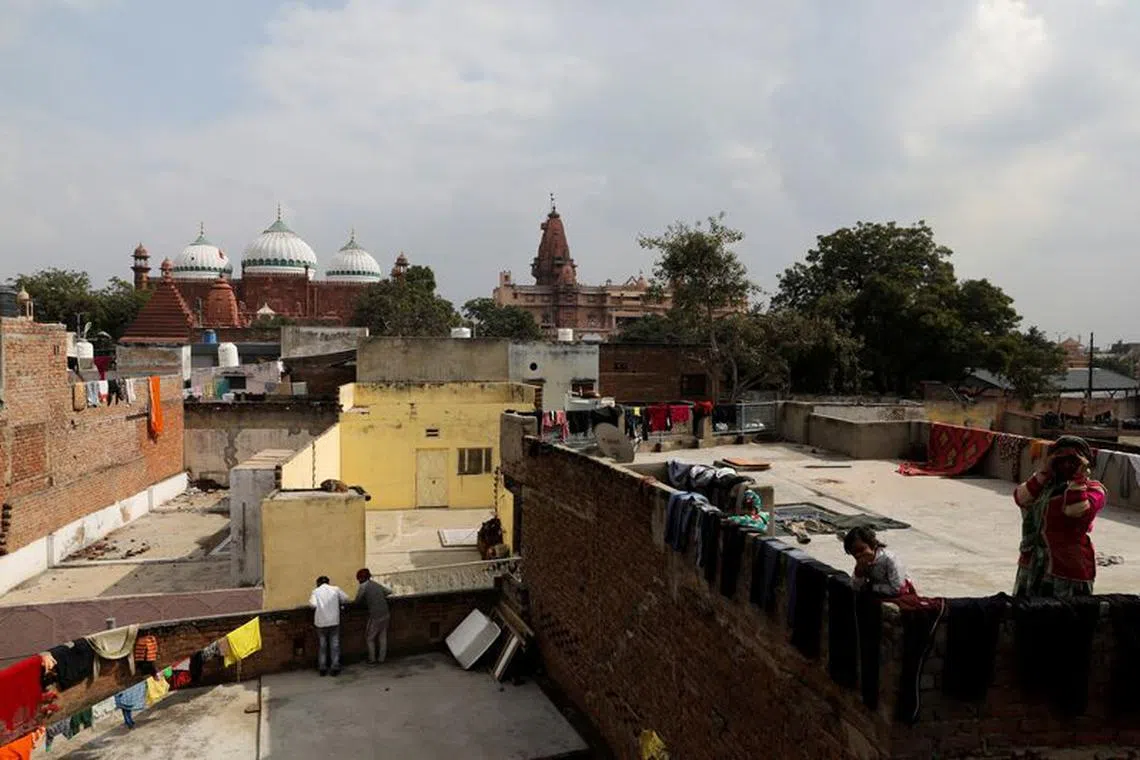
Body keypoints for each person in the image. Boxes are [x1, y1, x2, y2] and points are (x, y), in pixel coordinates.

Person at [1013, 435, 1106, 598]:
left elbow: (1075, 510)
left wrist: (1078, 478)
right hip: (1033, 567)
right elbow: (1021, 498)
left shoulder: (1094, 490)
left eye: (1073, 460)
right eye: (1061, 460)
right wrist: (1044, 472)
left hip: (1067, 571)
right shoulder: (1042, 486)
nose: (1066, 465)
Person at [844, 526, 915, 597]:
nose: (859, 555)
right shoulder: (863, 564)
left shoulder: (889, 559)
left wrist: (872, 587)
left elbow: (897, 589)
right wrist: (859, 574)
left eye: (861, 550)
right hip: (878, 593)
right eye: (854, 553)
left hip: (901, 595)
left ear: (872, 545)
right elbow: (855, 588)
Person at [309, 575, 349, 676]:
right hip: (334, 621)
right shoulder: (335, 589)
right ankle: (335, 667)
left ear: (318, 583)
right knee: (335, 645)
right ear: (328, 582)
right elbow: (346, 598)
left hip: (321, 623)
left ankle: (322, 668)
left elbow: (313, 605)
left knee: (323, 646)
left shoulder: (316, 591)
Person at [354, 568, 394, 664]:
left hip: (375, 615)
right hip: (385, 613)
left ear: (361, 578)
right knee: (382, 636)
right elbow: (389, 592)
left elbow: (357, 600)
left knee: (370, 638)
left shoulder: (363, 586)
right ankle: (381, 659)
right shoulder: (375, 584)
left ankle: (372, 659)